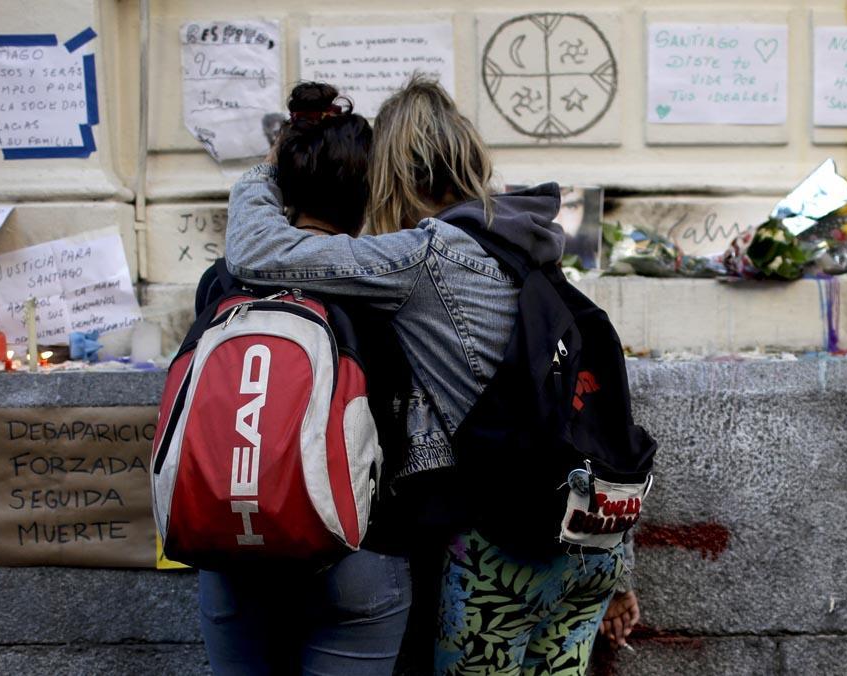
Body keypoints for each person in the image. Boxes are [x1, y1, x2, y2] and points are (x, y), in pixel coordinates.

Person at [225, 75, 625, 675]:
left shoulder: (422, 256)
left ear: (390, 175)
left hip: (504, 553)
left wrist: (270, 167)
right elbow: (595, 414)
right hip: (587, 547)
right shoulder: (531, 246)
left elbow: (257, 253)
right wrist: (620, 567)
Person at [196, 81, 413, 676]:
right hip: (353, 550)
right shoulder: (378, 280)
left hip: (232, 542)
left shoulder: (223, 281)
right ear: (369, 191)